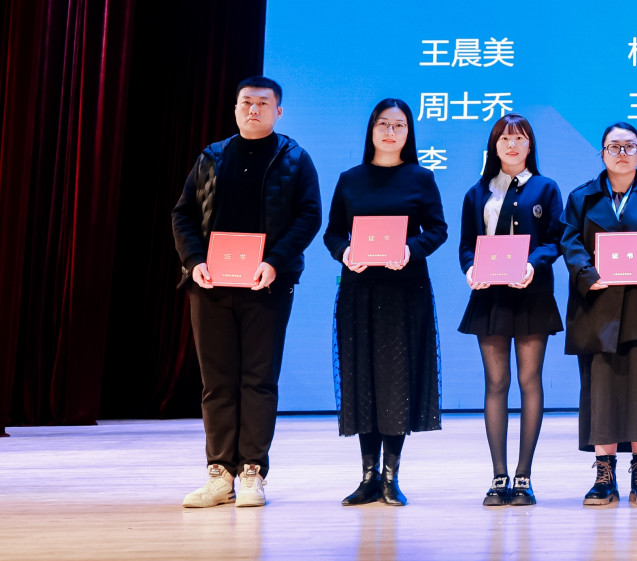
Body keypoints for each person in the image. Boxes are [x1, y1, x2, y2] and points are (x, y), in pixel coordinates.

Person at [171, 76, 322, 508]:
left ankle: (252, 471)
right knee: (217, 382)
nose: (253, 109)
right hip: (211, 284)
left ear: (279, 111)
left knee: (259, 379)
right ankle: (219, 473)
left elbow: (309, 216)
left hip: (266, 284)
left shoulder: (294, 158)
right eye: (246, 102)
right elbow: (183, 214)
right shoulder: (212, 156)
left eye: (263, 103)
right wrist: (194, 261)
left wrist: (274, 262)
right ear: (236, 108)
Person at [321, 98, 448, 507]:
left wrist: (411, 249)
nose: (390, 132)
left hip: (404, 291)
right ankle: (368, 477)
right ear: (371, 129)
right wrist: (344, 252)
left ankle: (391, 476)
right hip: (359, 291)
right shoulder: (350, 179)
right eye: (383, 124)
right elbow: (332, 233)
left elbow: (438, 229)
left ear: (409, 133)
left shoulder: (421, 177)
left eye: (399, 125)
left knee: (396, 381)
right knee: (362, 379)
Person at [561, 122, 637, 508]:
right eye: (614, 147)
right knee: (600, 391)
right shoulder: (582, 197)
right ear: (602, 153)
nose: (622, 153)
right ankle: (604, 474)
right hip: (597, 306)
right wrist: (587, 274)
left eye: (629, 147)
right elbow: (569, 241)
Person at [457, 112, 564, 507]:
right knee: (496, 383)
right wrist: (471, 269)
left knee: (529, 380)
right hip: (491, 297)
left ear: (530, 145)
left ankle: (524, 477)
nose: (512, 145)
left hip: (532, 292)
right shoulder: (477, 192)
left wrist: (532, 265)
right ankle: (498, 475)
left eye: (520, 138)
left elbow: (556, 239)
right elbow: (467, 245)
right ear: (494, 146)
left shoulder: (546, 188)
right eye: (505, 138)